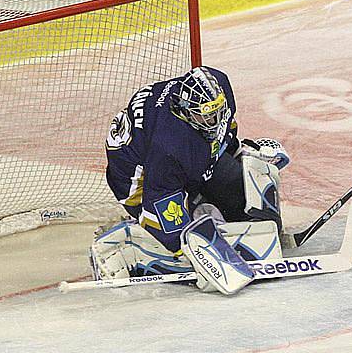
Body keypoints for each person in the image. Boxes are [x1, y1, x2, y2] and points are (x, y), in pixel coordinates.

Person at [91, 66, 290, 295]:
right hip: (139, 183)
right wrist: (189, 249)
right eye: (203, 116)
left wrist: (237, 152)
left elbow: (225, 130)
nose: (212, 120)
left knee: (241, 190)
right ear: (185, 111)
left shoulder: (219, 85)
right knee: (185, 244)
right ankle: (130, 248)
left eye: (215, 112)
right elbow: (161, 203)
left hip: (178, 157)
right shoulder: (170, 146)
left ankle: (216, 211)